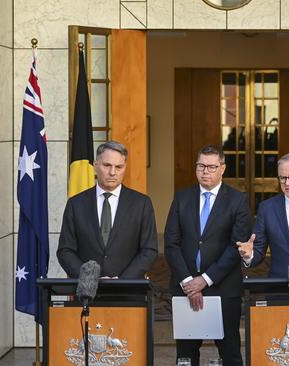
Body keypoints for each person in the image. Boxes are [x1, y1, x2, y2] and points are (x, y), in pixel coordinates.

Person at [164, 145, 251, 366]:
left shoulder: (237, 200)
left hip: (223, 288)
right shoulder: (182, 198)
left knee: (230, 352)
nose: (206, 171)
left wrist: (204, 280)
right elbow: (171, 243)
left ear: (222, 168)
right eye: (201, 166)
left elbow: (236, 247)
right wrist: (188, 282)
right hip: (185, 288)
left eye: (212, 167)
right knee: (185, 355)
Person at [57, 141, 158, 279]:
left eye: (118, 167)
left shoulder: (141, 203)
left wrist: (122, 281)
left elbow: (149, 250)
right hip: (87, 294)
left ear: (125, 168)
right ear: (95, 165)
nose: (112, 172)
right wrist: (90, 278)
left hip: (129, 294)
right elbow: (65, 250)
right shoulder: (76, 204)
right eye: (107, 165)